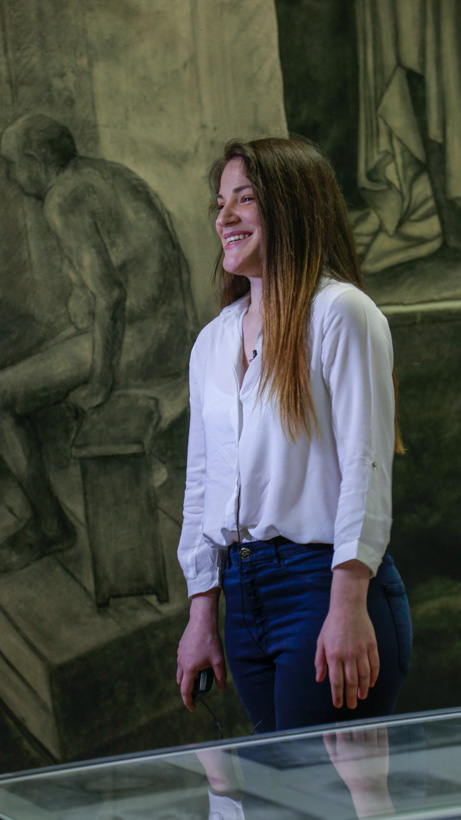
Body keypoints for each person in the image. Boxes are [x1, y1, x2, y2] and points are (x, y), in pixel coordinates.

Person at [176, 136, 412, 732]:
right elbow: (202, 485)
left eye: (245, 199)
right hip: (242, 595)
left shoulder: (342, 313)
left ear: (292, 207)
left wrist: (348, 603)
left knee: (325, 782)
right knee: (281, 784)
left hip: (324, 585)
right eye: (220, 203)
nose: (224, 218)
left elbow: (365, 465)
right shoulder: (212, 342)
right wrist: (202, 613)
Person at [0, 114, 195, 572]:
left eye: (10, 165)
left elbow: (110, 297)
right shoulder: (103, 175)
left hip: (143, 343)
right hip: (171, 332)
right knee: (42, 356)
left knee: (2, 396)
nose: (8, 176)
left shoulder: (62, 199)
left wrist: (100, 383)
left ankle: (50, 527)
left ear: (35, 162)